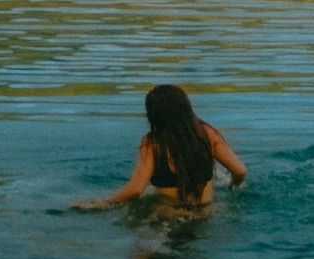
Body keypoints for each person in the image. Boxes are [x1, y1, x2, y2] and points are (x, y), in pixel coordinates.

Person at [71, 84, 249, 212]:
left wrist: (104, 202)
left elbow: (135, 189)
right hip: (206, 214)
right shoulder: (207, 134)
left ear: (153, 115)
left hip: (168, 218)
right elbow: (240, 171)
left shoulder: (152, 144)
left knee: (141, 257)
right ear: (187, 108)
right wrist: (231, 187)